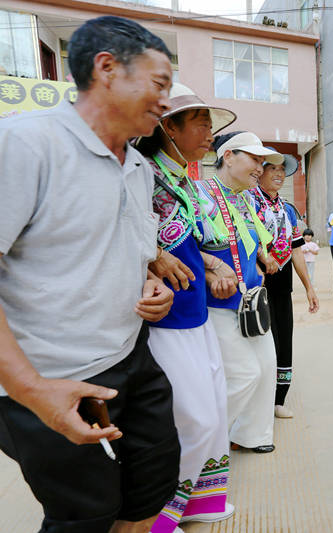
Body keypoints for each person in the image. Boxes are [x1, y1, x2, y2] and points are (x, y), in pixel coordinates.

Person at [0, 16, 178, 533]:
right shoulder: (25, 145)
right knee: (85, 516)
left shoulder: (138, 168)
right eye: (159, 84)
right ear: (106, 69)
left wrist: (151, 287)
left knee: (150, 492)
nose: (165, 102)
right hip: (53, 374)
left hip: (131, 358)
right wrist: (33, 391)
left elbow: (130, 254)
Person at [135, 82, 237, 532]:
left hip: (196, 314)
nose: (209, 134)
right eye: (199, 124)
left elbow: (196, 242)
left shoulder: (187, 183)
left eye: (210, 126)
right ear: (167, 127)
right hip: (165, 321)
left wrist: (213, 266)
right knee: (190, 417)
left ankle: (198, 504)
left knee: (214, 412)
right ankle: (158, 515)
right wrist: (151, 253)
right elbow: (125, 235)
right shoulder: (141, 174)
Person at [197, 131, 283, 453]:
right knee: (244, 374)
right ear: (228, 155)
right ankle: (204, 442)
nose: (260, 168)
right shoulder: (199, 195)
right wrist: (210, 270)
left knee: (267, 367)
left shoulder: (245, 197)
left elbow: (249, 238)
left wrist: (262, 256)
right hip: (218, 304)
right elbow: (180, 246)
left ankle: (252, 435)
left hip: (250, 300)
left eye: (263, 161)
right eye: (255, 159)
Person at [252, 150, 319, 420]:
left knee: (284, 342)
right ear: (260, 171)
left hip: (282, 285)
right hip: (258, 284)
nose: (279, 174)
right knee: (261, 342)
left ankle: (279, 399)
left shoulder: (287, 210)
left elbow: (296, 250)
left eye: (283, 169)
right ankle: (258, 402)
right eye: (273, 168)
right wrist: (262, 257)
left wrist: (309, 287)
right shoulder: (249, 203)